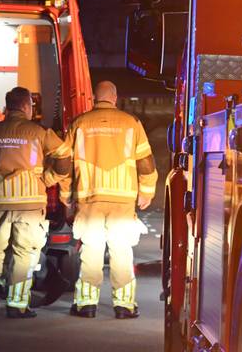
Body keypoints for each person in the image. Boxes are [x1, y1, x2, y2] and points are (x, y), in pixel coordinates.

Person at [0, 87, 71, 318]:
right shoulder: (39, 131)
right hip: (30, 205)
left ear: (8, 105)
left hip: (0, 202)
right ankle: (17, 305)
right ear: (26, 106)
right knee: (24, 254)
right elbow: (64, 155)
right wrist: (49, 178)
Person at [62, 81, 158, 319]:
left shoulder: (79, 124)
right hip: (122, 201)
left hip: (90, 199)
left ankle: (86, 305)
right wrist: (146, 192)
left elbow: (63, 163)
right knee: (122, 252)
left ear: (95, 97)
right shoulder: (131, 124)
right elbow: (146, 162)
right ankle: (124, 306)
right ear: (115, 97)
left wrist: (66, 194)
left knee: (91, 252)